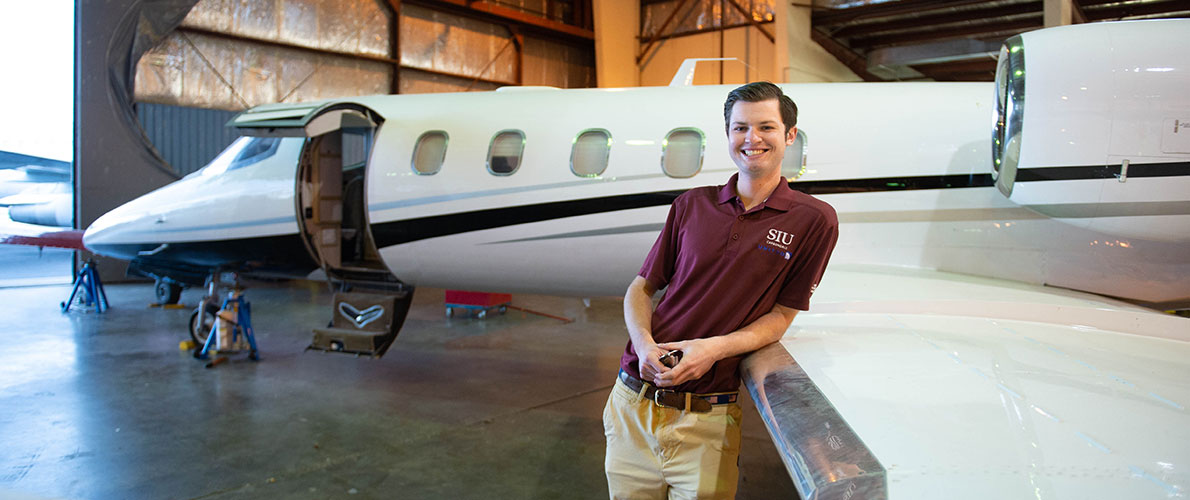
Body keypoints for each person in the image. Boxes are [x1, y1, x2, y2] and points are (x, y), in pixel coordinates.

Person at [603, 81, 839, 499]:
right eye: (740, 128)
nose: (752, 139)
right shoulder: (691, 204)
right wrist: (642, 345)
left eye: (766, 127)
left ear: (789, 135)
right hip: (631, 403)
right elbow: (642, 288)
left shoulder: (814, 219)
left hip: (709, 414)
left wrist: (711, 350)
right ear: (728, 135)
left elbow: (780, 317)